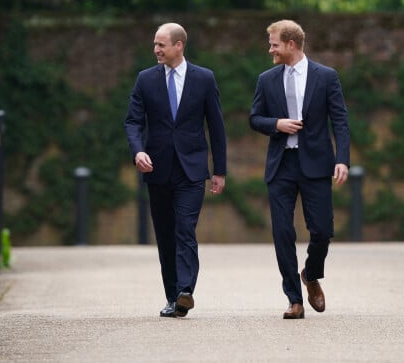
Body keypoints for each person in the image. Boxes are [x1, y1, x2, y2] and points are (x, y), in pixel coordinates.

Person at [124, 22, 227, 318]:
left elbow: (216, 127)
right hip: (157, 169)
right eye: (155, 44)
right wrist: (138, 150)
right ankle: (173, 298)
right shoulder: (145, 80)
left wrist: (219, 170)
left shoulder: (204, 79)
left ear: (179, 45)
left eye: (161, 44)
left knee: (185, 229)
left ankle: (185, 291)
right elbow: (132, 121)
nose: (155, 49)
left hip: (191, 170)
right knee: (166, 235)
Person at [249, 19, 350, 319]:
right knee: (282, 233)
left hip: (316, 164)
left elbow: (340, 122)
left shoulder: (327, 76)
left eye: (274, 43)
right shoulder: (266, 79)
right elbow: (255, 118)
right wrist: (276, 124)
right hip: (281, 164)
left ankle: (311, 273)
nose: (270, 49)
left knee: (322, 231)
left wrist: (341, 159)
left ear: (291, 44)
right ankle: (294, 299)